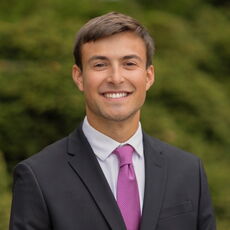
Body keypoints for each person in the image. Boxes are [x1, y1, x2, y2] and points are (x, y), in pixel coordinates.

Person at [9, 12, 216, 230]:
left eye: (129, 63)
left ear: (148, 76)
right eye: (100, 65)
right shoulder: (39, 176)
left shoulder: (189, 171)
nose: (116, 78)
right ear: (79, 77)